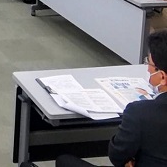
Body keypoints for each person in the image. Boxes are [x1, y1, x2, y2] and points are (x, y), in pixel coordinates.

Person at [55, 29, 167, 167]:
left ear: (162, 77)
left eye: (149, 63)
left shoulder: (139, 113)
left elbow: (117, 156)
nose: (147, 69)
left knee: (64, 161)